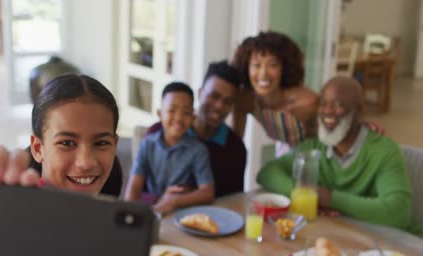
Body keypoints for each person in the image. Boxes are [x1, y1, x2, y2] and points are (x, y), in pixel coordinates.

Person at [0, 74, 122, 256]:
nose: (86, 162)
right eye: (66, 143)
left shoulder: (115, 228)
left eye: (101, 143)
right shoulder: (7, 228)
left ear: (115, 145)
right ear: (37, 148)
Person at [257, 76, 420, 234]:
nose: (327, 111)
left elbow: (398, 213)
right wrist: (309, 194)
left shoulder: (384, 150)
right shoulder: (314, 143)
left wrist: (330, 199)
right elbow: (267, 173)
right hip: (343, 236)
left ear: (359, 110)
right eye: (323, 103)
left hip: (399, 245)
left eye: (338, 105)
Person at [147, 61, 247, 197]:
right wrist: (163, 201)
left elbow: (233, 201)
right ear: (200, 93)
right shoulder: (158, 133)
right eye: (214, 96)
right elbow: (136, 194)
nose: (219, 106)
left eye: (228, 102)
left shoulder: (235, 149)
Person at [124, 82, 214, 214]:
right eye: (172, 110)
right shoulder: (147, 144)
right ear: (160, 113)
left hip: (182, 213)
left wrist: (174, 200)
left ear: (193, 117)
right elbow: (133, 190)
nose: (178, 118)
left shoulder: (198, 150)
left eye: (186, 112)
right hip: (151, 209)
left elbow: (207, 192)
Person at [230, 31, 319, 148]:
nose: (263, 74)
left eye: (272, 65)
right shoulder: (245, 99)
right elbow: (235, 144)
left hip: (315, 154)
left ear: (285, 67)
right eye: (256, 65)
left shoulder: (308, 103)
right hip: (285, 151)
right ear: (246, 68)